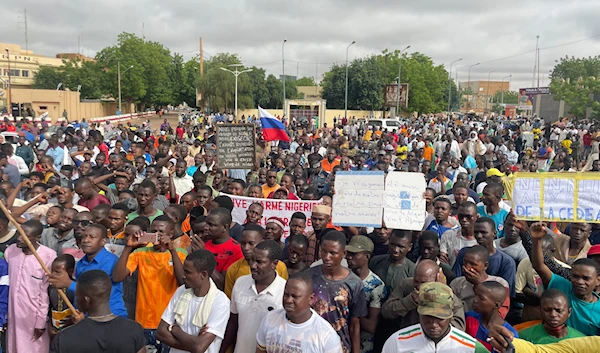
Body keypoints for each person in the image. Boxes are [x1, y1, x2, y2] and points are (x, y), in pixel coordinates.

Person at [112, 215, 187, 352]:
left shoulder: (180, 254)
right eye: (154, 231)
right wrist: (128, 248)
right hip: (143, 320)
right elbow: (117, 277)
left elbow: (182, 280)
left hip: (169, 322)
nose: (157, 235)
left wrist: (172, 250)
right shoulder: (141, 253)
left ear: (171, 234)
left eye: (161, 232)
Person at [529, 221, 600, 336]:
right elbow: (539, 266)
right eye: (575, 276)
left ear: (597, 281)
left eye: (586, 278)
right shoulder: (562, 286)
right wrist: (536, 240)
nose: (579, 282)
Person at [50, 270, 146, 353]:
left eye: (77, 296)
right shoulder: (134, 330)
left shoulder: (64, 338)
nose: (76, 300)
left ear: (86, 300)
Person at [157, 249, 231, 353]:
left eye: (187, 272)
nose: (183, 276)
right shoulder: (181, 291)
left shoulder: (220, 302)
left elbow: (199, 347)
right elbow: (160, 333)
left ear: (203, 275)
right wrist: (192, 345)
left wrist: (175, 329)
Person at [382, 282, 489, 353]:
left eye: (440, 317)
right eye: (428, 316)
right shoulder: (397, 342)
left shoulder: (472, 348)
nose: (433, 323)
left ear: (450, 315)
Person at [49, 223, 128, 318]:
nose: (86, 240)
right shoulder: (81, 262)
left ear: (103, 241)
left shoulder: (110, 261)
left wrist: (69, 284)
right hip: (88, 316)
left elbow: (99, 292)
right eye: (84, 236)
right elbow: (78, 297)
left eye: (92, 237)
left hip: (110, 316)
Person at [221, 241, 286, 353]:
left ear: (274, 264)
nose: (252, 265)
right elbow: (233, 322)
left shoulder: (285, 291)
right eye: (251, 260)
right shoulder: (240, 283)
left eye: (259, 262)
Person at [309, 231, 368, 353]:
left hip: (339, 347)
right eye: (323, 251)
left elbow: (354, 324)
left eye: (332, 253)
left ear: (343, 253)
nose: (326, 257)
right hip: (310, 344)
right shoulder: (309, 276)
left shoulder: (354, 283)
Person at [255, 272, 343, 353]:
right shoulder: (270, 319)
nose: (289, 300)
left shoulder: (326, 335)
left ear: (311, 299)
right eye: (286, 294)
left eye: (295, 296)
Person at [5, 220, 56, 353]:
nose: (20, 238)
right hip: (12, 314)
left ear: (37, 238)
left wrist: (41, 321)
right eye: (19, 233)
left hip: (33, 316)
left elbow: (45, 291)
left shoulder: (48, 256)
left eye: (26, 235)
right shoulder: (10, 251)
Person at [382, 259, 465, 332]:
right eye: (416, 281)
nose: (419, 287)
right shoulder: (407, 285)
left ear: (437, 279)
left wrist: (441, 297)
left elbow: (459, 328)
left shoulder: (451, 298)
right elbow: (386, 311)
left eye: (424, 283)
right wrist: (409, 301)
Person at [452, 218, 516, 298]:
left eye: (483, 232)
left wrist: (478, 283)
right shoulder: (465, 253)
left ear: (494, 233)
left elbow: (505, 297)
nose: (479, 236)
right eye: (476, 232)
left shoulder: (506, 262)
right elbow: (456, 281)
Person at [345, 236, 387, 353]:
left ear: (367, 256)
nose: (348, 257)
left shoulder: (376, 285)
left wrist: (347, 311)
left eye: (354, 254)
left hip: (364, 346)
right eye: (348, 253)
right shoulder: (344, 278)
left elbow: (371, 326)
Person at [224, 224, 288, 298]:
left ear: (262, 242)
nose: (246, 248)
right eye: (243, 243)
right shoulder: (233, 269)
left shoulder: (279, 267)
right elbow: (230, 299)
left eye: (251, 243)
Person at [450, 245, 510, 318]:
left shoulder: (500, 284)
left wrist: (478, 284)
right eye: (465, 262)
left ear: (485, 265)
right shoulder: (457, 283)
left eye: (473, 264)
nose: (467, 267)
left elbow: (500, 315)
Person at [518, 288, 585, 344]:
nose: (553, 314)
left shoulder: (581, 341)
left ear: (569, 312)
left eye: (559, 310)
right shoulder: (524, 337)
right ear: (540, 310)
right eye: (547, 310)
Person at [464, 281, 517, 351]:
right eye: (475, 295)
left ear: (496, 305)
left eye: (481, 298)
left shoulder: (508, 333)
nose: (475, 300)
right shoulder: (469, 317)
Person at [440, 202, 479, 266]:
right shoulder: (448, 235)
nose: (464, 219)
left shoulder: (483, 239)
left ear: (476, 217)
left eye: (468, 216)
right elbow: (444, 261)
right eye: (461, 216)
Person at [48, 254, 76, 337]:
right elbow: (49, 308)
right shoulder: (51, 287)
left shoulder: (75, 289)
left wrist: (71, 321)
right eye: (52, 271)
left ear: (70, 271)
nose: (53, 274)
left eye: (57, 272)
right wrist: (49, 325)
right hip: (55, 329)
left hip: (71, 330)